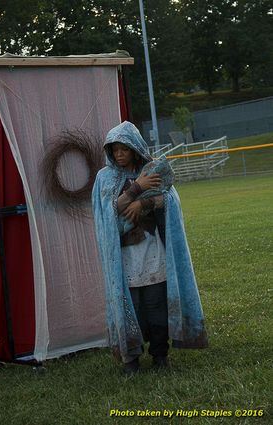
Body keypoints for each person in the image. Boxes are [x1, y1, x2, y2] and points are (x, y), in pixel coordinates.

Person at [92, 121, 208, 375]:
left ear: (135, 148)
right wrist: (138, 189)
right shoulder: (105, 178)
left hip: (153, 253)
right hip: (123, 257)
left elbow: (170, 199)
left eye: (124, 149)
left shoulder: (152, 169)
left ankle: (160, 354)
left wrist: (143, 205)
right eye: (115, 150)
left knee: (156, 307)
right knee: (129, 308)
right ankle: (130, 358)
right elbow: (108, 211)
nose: (120, 154)